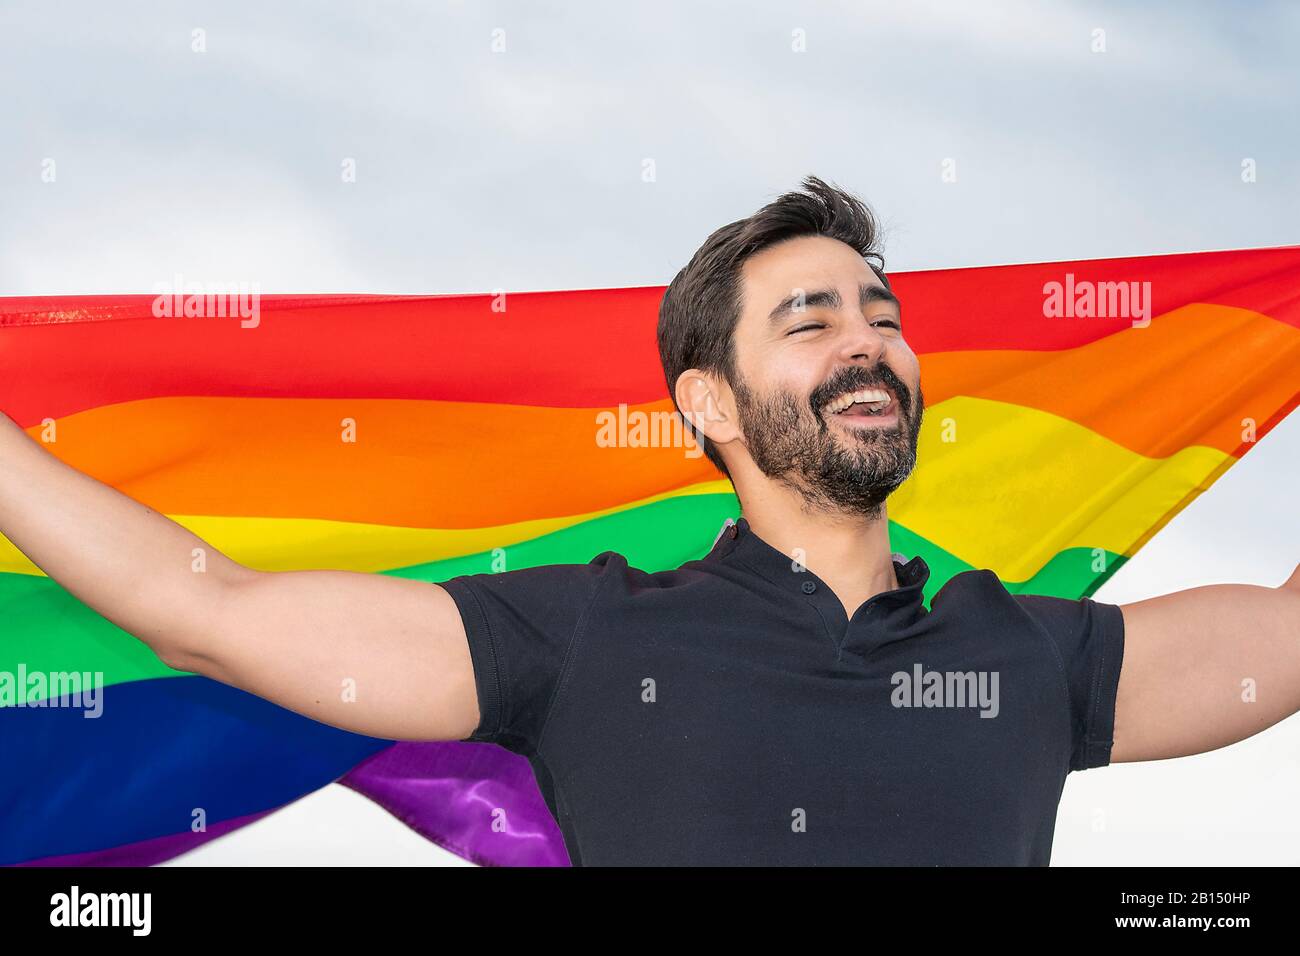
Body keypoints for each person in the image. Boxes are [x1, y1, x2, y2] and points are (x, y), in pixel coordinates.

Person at [2, 176, 1297, 865]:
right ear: (708, 401)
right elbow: (207, 612)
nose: (869, 344)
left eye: (884, 316)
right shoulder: (587, 635)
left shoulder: (1036, 656)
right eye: (814, 320)